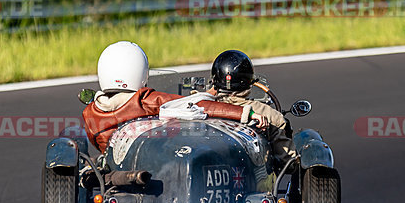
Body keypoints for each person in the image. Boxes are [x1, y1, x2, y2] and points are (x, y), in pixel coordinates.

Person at [82, 41, 268, 153]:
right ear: (141, 71)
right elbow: (199, 106)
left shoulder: (90, 114)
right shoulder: (145, 100)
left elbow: (100, 148)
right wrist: (246, 113)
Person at [208, 50, 297, 167]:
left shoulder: (197, 106)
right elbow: (288, 162)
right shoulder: (268, 114)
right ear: (248, 80)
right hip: (252, 179)